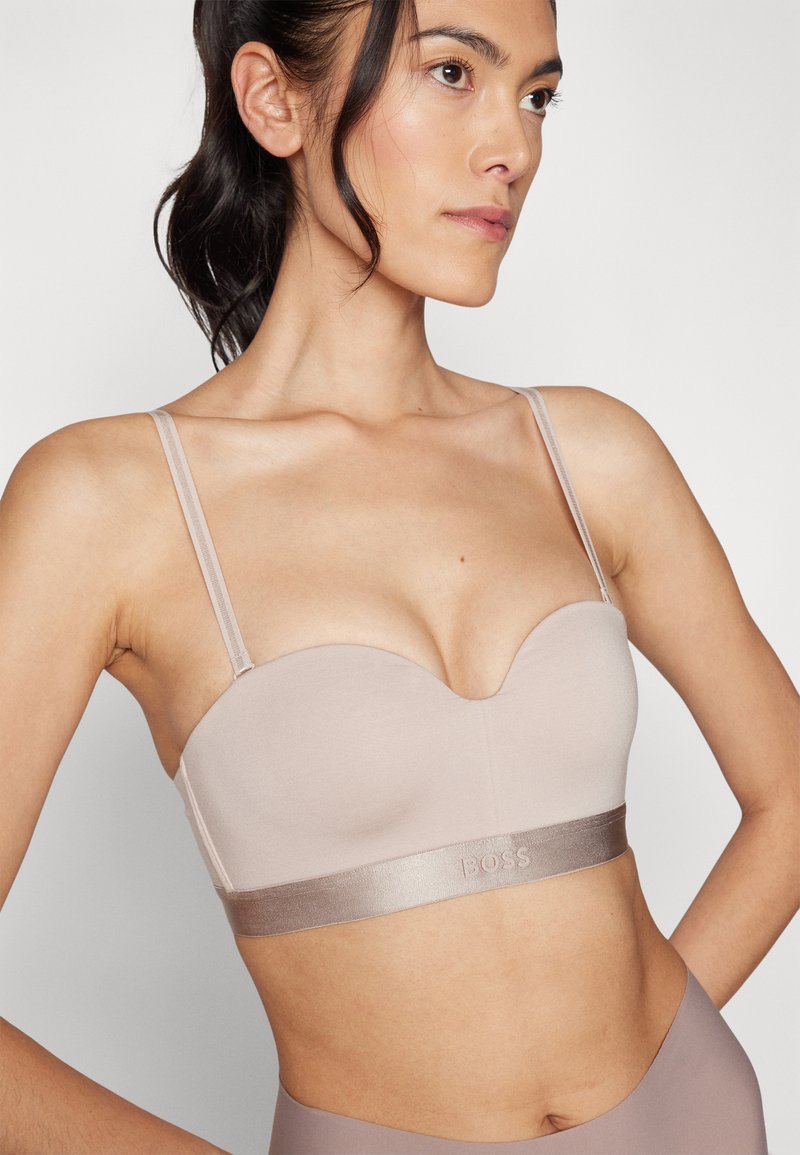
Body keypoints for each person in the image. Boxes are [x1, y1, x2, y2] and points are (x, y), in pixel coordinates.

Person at [1, 1, 797, 1152]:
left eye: (536, 95)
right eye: (450, 73)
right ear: (274, 99)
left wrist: (662, 1066)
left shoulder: (586, 454)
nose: (513, 147)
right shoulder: (112, 501)